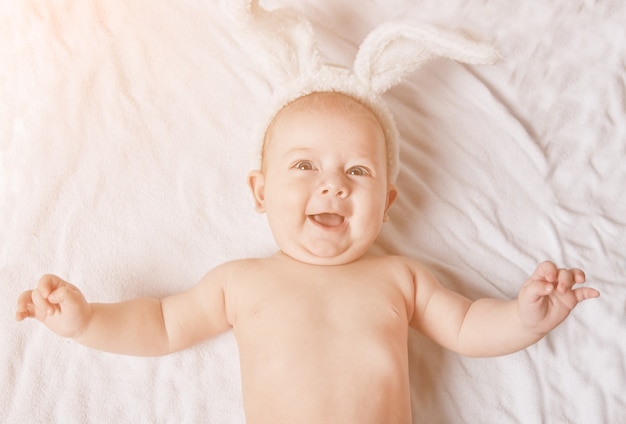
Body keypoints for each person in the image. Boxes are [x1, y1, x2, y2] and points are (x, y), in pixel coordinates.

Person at [16, 91, 599, 424]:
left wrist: (525, 318)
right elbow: (162, 325)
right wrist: (87, 321)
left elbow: (468, 326)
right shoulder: (240, 283)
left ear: (387, 202)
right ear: (261, 192)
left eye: (358, 171)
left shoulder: (401, 278)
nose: (333, 185)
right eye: (303, 166)